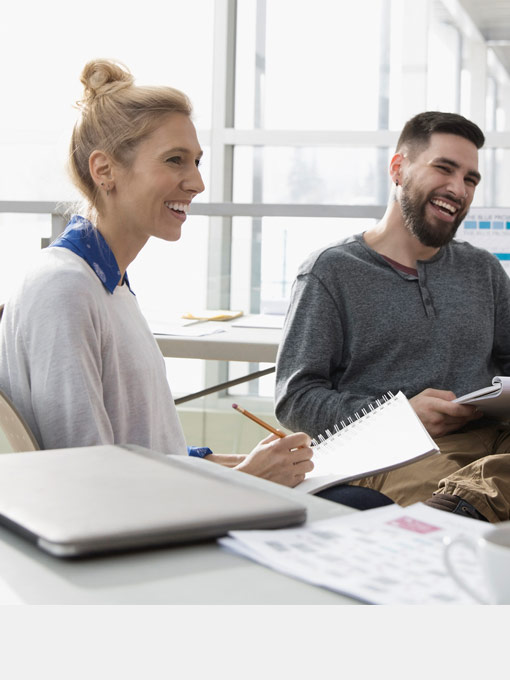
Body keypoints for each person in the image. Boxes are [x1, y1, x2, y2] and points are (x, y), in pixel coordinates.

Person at [0, 59, 313, 488]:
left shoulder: (108, 284)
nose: (197, 183)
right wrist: (247, 481)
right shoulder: (65, 289)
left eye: (196, 162)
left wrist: (216, 463)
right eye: (175, 160)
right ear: (104, 170)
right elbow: (90, 486)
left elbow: (135, 453)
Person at [275, 110, 510, 522]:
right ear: (398, 169)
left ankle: (471, 500)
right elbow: (296, 400)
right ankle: (463, 506)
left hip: (491, 443)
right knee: (456, 497)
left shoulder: (483, 270)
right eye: (445, 169)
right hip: (394, 451)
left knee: (481, 487)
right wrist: (398, 414)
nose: (458, 189)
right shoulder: (331, 271)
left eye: (470, 179)